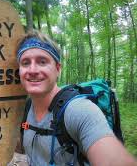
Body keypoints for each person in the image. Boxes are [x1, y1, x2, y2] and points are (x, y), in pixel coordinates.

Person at [15, 30, 136, 165]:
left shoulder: (79, 110)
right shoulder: (26, 108)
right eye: (25, 63)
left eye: (42, 62)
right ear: (19, 70)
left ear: (58, 69)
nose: (32, 70)